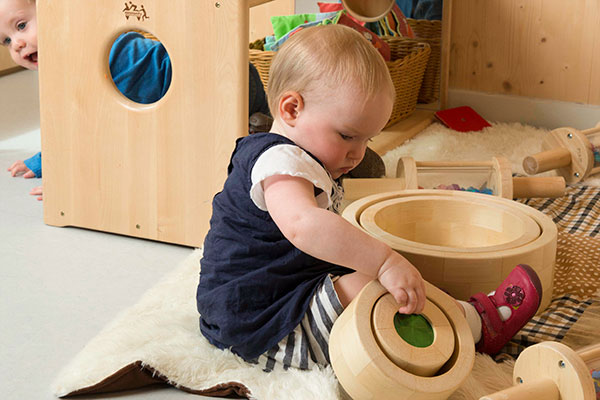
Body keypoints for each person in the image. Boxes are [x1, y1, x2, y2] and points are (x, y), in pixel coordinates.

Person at [196, 24, 542, 373]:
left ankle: (455, 313)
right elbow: (304, 225)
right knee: (373, 288)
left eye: (368, 140)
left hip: (279, 295)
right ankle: (476, 327)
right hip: (261, 325)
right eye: (348, 135)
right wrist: (384, 262)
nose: (358, 154)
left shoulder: (300, 157)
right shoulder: (280, 164)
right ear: (291, 109)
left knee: (371, 274)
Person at [1, 0, 269, 200]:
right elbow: (80, 128)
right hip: (221, 80)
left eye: (22, 26)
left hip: (211, 83)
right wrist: (44, 161)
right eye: (6, 41)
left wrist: (69, 182)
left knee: (226, 154)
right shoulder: (73, 60)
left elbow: (91, 133)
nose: (17, 44)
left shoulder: (85, 56)